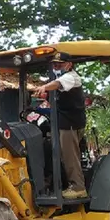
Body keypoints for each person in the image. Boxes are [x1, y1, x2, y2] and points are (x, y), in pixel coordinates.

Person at [32, 52, 87, 199]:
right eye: (55, 64)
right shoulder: (59, 80)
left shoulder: (71, 77)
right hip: (62, 122)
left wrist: (44, 87)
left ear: (69, 64)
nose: (56, 66)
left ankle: (78, 188)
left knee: (70, 155)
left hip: (71, 123)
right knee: (55, 151)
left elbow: (57, 84)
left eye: (60, 64)